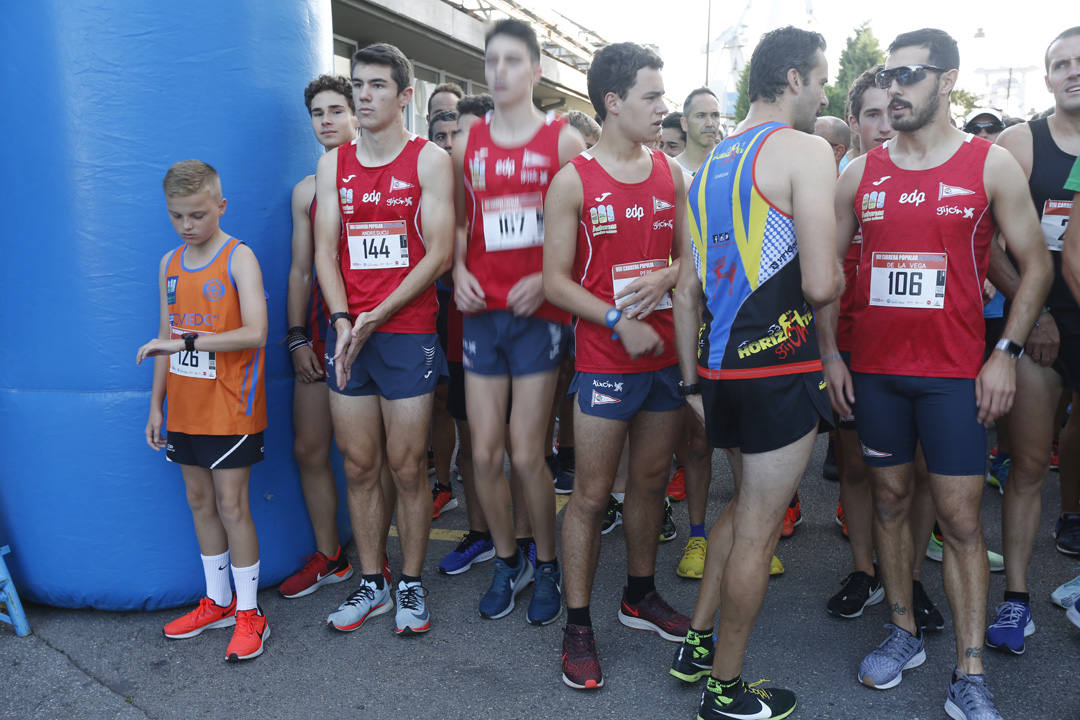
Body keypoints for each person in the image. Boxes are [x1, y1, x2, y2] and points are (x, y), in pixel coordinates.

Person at [824, 28, 1050, 720]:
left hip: (955, 374)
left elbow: (1036, 266)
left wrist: (1005, 352)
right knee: (890, 501)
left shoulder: (989, 164)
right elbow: (828, 274)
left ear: (947, 80)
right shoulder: (860, 172)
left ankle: (970, 672)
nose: (894, 88)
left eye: (910, 75)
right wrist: (831, 354)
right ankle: (902, 632)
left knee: (957, 518)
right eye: (886, 76)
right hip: (877, 372)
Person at [671, 26, 840, 720]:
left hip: (718, 370)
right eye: (823, 78)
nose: (826, 91)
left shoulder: (708, 163)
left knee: (740, 511)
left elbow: (687, 290)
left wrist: (689, 384)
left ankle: (698, 644)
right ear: (795, 79)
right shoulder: (805, 149)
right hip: (779, 365)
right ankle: (726, 690)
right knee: (759, 528)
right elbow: (823, 283)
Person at [544, 40, 691, 690]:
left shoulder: (671, 172)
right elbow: (554, 282)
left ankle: (639, 595)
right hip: (606, 359)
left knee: (652, 482)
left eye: (664, 96)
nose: (664, 107)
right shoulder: (573, 180)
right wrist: (615, 321)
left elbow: (690, 262)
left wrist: (667, 274)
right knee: (591, 495)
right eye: (652, 96)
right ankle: (579, 625)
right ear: (613, 101)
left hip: (660, 360)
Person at [313, 42, 454, 636]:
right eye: (358, 85)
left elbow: (440, 253)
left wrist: (378, 314)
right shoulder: (332, 164)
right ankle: (372, 581)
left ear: (405, 97)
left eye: (375, 86)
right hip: (350, 330)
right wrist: (346, 318)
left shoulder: (428, 161)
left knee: (405, 465)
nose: (363, 96)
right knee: (360, 462)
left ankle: (412, 584)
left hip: (406, 330)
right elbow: (326, 249)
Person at [452, 19, 586, 625]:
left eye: (512, 60)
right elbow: (459, 223)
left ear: (535, 70)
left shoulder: (563, 143)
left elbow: (584, 237)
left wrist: (548, 276)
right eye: (490, 60)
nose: (499, 71)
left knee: (527, 453)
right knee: (483, 454)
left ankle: (549, 563)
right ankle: (510, 560)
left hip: (538, 316)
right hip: (483, 315)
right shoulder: (468, 142)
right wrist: (457, 269)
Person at [137, 160, 269, 661]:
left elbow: (256, 332)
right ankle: (216, 599)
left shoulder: (240, 257)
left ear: (221, 205)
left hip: (231, 406)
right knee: (199, 502)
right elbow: (165, 340)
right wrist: (156, 405)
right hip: (185, 408)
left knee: (233, 505)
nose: (187, 225)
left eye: (196, 214)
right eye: (177, 216)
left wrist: (191, 340)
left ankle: (250, 612)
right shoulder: (169, 263)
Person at [987, 25, 1080, 654]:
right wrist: (1035, 313)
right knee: (1025, 464)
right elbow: (989, 243)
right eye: (1062, 64)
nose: (1074, 71)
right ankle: (1016, 599)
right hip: (1041, 323)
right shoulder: (1022, 143)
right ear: (1046, 78)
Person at [279, 75, 359, 601]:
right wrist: (297, 339)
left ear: (358, 113)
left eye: (335, 110)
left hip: (377, 332)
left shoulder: (382, 173)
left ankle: (386, 565)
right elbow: (300, 271)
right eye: (316, 112)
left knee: (372, 458)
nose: (325, 120)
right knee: (310, 450)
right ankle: (331, 556)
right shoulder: (306, 190)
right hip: (319, 336)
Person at [437, 93, 500, 576]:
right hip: (461, 339)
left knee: (523, 453)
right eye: (456, 134)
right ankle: (482, 534)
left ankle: (530, 553)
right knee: (474, 445)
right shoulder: (443, 189)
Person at [674, 87, 721, 174]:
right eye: (701, 116)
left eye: (715, 115)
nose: (710, 123)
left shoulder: (730, 168)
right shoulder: (670, 171)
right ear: (684, 123)